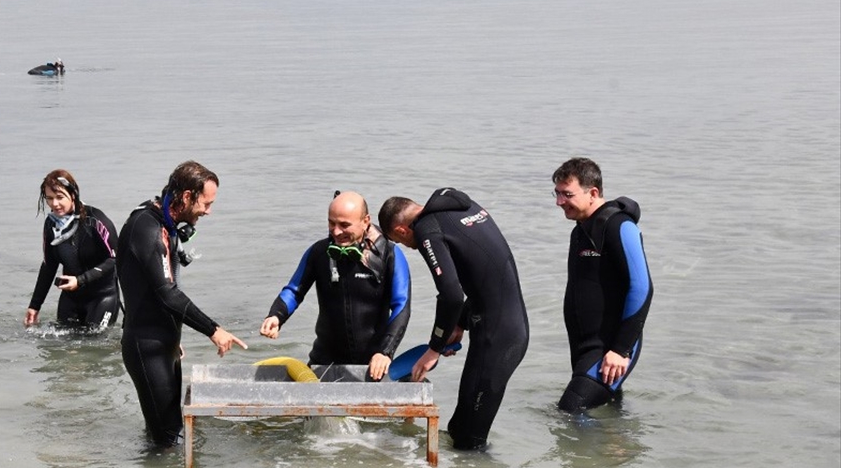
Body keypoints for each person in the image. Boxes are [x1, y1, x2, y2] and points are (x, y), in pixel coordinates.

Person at [378, 188, 530, 451]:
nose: (408, 247)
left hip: (498, 340)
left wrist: (434, 348)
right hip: (507, 326)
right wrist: (459, 323)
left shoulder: (427, 230)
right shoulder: (459, 207)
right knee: (461, 430)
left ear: (402, 231)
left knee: (468, 440)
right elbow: (484, 275)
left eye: (401, 242)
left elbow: (451, 295)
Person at [117, 160, 248, 448]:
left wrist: (171, 331)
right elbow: (167, 292)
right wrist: (214, 330)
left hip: (163, 343)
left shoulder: (166, 223)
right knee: (169, 442)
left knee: (169, 432)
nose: (208, 211)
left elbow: (152, 286)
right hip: (146, 347)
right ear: (187, 197)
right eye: (206, 203)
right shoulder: (146, 228)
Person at [260, 191, 410, 381]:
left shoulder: (390, 256)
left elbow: (401, 306)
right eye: (332, 223)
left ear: (366, 221)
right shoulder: (319, 253)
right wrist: (276, 315)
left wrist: (384, 352)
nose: (336, 231)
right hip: (324, 362)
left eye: (344, 225)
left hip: (373, 365)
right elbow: (294, 291)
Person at [551, 157, 654, 412]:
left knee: (570, 411)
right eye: (557, 194)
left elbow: (642, 287)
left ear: (593, 192)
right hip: (585, 346)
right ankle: (615, 449)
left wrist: (620, 350)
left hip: (611, 347)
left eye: (567, 194)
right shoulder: (580, 230)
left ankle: (595, 452)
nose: (559, 202)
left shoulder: (619, 225)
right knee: (606, 411)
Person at [24, 170, 121, 330]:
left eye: (60, 197)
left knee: (95, 346)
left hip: (102, 298)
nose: (54, 204)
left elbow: (115, 259)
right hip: (70, 299)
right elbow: (49, 266)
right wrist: (35, 306)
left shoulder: (95, 221)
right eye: (49, 198)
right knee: (62, 347)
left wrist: (81, 280)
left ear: (73, 194)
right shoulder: (51, 225)